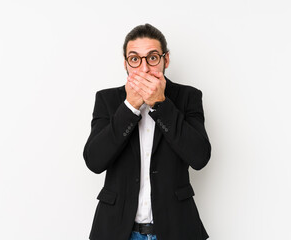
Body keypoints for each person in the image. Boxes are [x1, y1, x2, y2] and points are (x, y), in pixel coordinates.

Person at [83, 23, 211, 240]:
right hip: (117, 230)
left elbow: (199, 157)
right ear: (126, 64)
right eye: (135, 59)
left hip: (176, 228)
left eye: (152, 58)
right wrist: (129, 107)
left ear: (165, 60)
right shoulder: (107, 100)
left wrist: (161, 104)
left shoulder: (188, 97)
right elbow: (94, 161)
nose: (144, 68)